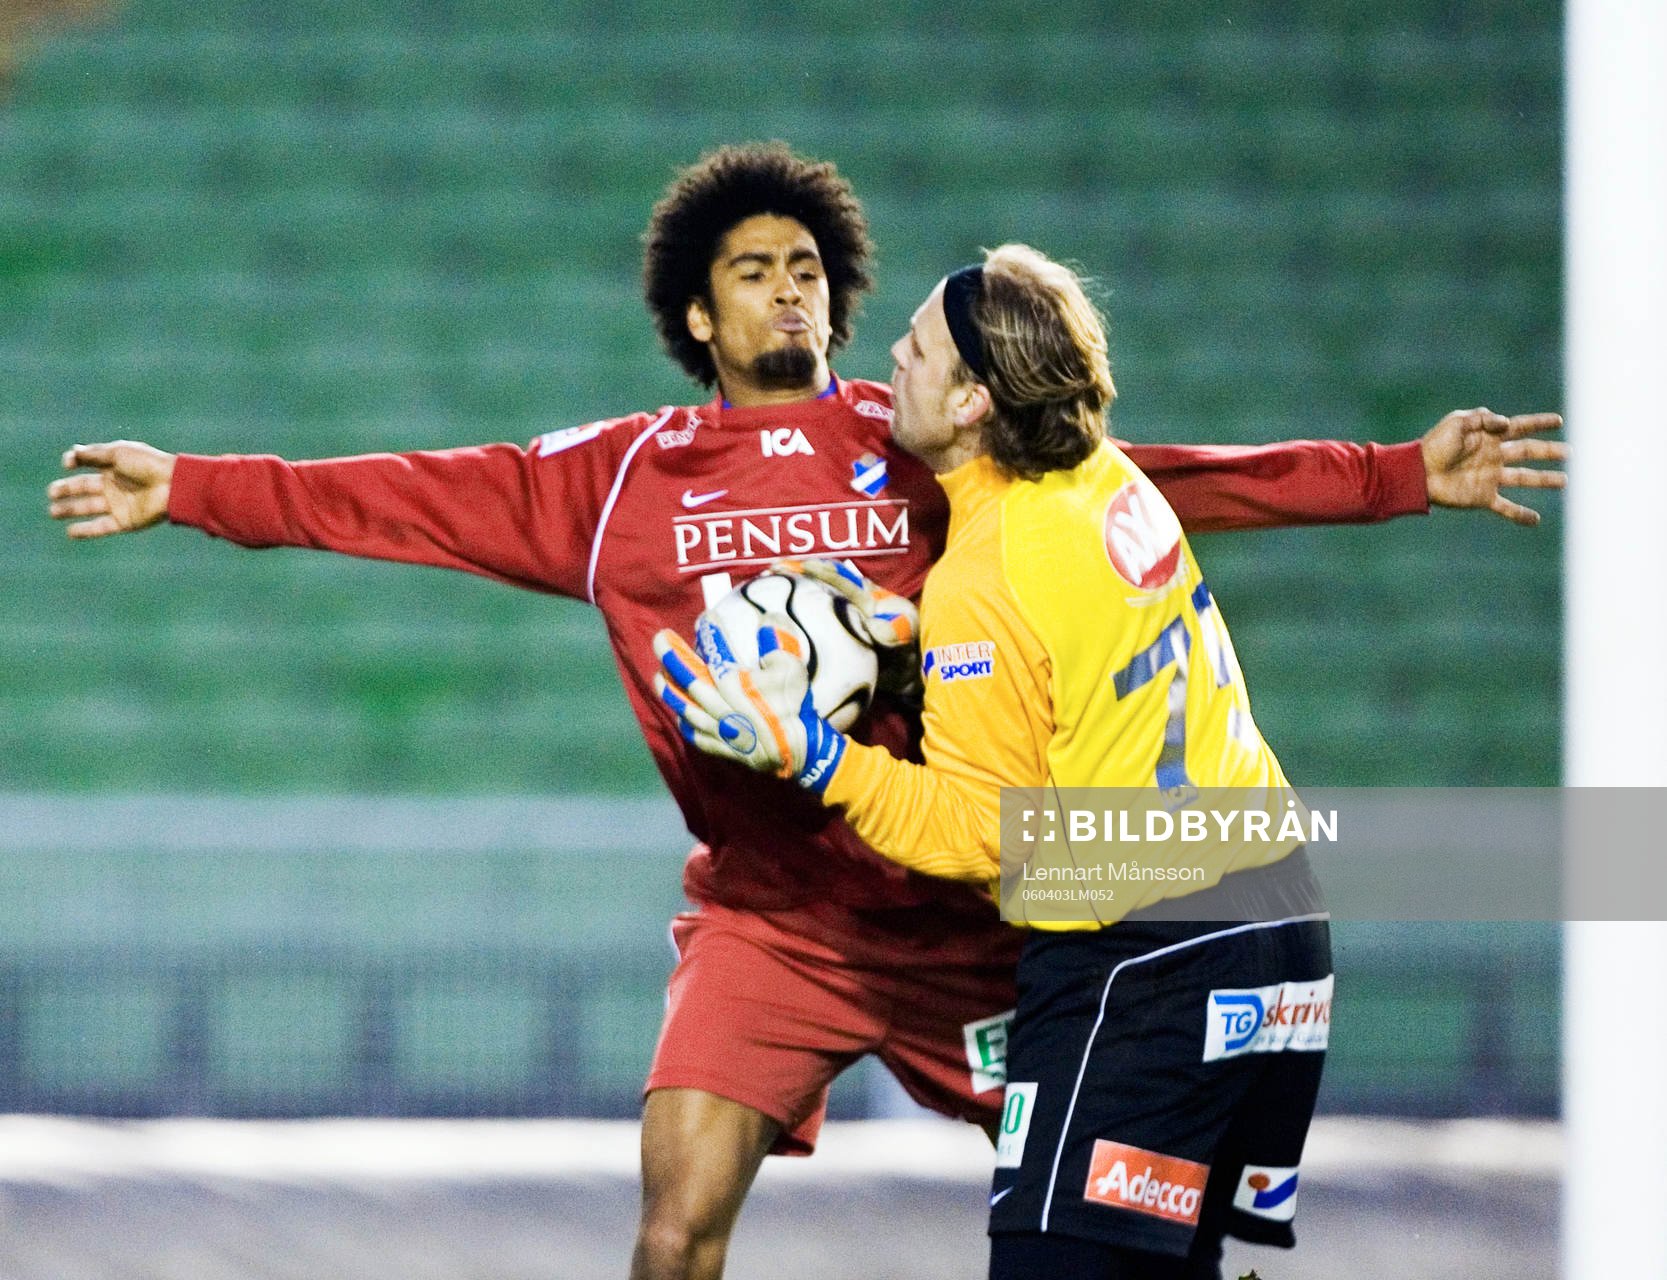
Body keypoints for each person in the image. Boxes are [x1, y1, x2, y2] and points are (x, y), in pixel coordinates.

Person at [46, 144, 1564, 1280]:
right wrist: (190, 488)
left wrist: (1389, 474)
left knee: (1116, 1224)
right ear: (696, 319)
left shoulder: (922, 442)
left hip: (973, 910)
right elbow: (403, 498)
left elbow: (1156, 473)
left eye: (811, 269)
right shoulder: (621, 483)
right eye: (753, 270)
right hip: (773, 924)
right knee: (675, 1218)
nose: (794, 287)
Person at [653, 244, 1558, 1278]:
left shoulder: (983, 577)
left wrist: (815, 754)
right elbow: (1070, 669)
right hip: (1280, 939)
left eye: (915, 350)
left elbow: (977, 835)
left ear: (970, 406)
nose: (889, 359)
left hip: (1147, 960)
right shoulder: (1107, 481)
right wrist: (909, 661)